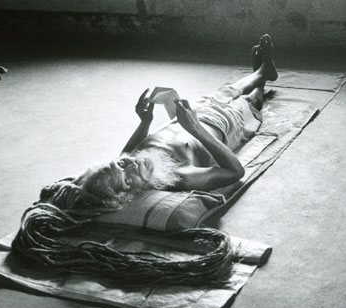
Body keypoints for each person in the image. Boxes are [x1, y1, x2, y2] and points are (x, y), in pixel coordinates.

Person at [41, 34, 278, 210]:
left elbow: (128, 150)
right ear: (130, 194)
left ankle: (261, 72)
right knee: (247, 103)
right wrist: (195, 128)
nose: (132, 165)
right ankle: (261, 79)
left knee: (226, 91)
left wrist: (145, 121)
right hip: (222, 127)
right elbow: (235, 171)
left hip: (189, 116)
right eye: (127, 179)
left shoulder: (130, 159)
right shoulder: (179, 177)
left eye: (121, 164)